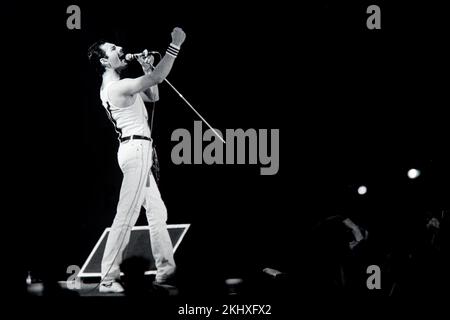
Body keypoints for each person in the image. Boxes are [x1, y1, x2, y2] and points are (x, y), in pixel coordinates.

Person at [87, 27, 186, 293]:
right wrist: (174, 46)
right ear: (104, 61)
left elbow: (154, 94)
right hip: (136, 151)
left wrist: (145, 68)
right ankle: (107, 278)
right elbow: (159, 77)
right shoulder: (116, 87)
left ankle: (166, 271)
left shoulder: (119, 86)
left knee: (157, 212)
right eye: (112, 49)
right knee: (126, 214)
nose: (120, 49)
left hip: (135, 150)